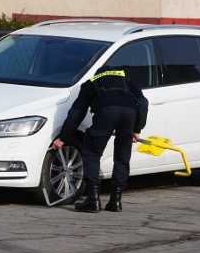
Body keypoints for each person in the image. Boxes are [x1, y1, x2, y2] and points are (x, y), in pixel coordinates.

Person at [53, 66, 148, 212]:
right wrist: (137, 129)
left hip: (106, 112)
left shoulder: (90, 83)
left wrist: (63, 138)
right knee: (122, 157)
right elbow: (143, 103)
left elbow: (76, 113)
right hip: (130, 114)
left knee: (92, 154)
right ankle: (116, 201)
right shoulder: (128, 81)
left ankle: (93, 199)